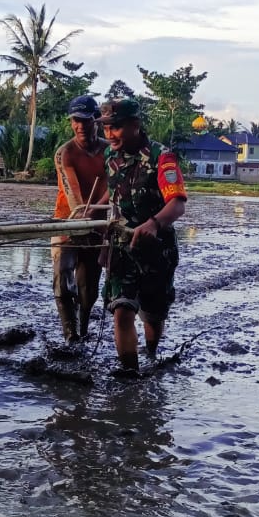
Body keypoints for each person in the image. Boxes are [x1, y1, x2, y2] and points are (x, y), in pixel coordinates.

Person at [98, 97, 187, 371]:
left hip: (155, 249)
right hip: (120, 247)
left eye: (116, 127)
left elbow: (177, 203)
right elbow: (114, 192)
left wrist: (154, 223)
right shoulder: (110, 155)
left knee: (153, 316)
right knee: (122, 311)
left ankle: (150, 354)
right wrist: (92, 210)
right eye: (106, 128)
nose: (109, 134)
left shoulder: (162, 157)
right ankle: (129, 374)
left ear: (135, 125)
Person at [51, 95, 108, 342]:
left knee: (88, 289)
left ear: (96, 120)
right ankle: (70, 335)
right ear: (71, 122)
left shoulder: (109, 151)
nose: (81, 126)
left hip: (98, 225)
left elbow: (113, 186)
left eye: (86, 120)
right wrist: (81, 215)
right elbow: (72, 191)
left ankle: (84, 328)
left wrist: (93, 214)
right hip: (67, 221)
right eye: (76, 121)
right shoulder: (65, 153)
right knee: (63, 282)